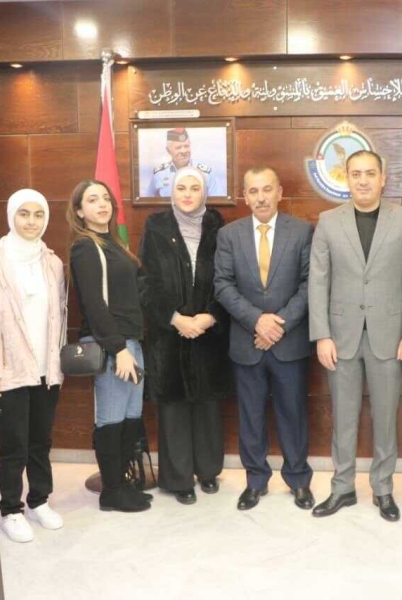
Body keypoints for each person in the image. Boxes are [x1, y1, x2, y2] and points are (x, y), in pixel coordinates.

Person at [309, 150, 402, 522]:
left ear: (383, 178)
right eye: (356, 174)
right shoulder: (328, 222)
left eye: (370, 173)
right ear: (346, 178)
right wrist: (322, 335)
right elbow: (318, 282)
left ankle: (383, 489)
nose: (363, 180)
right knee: (343, 418)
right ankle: (342, 488)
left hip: (389, 337)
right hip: (340, 337)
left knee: (385, 419)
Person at [0, 189, 66, 543]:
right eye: (24, 214)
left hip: (45, 370)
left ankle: (40, 501)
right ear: (11, 216)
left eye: (38, 214)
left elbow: (58, 318)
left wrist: (57, 363)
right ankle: (10, 509)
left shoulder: (52, 263)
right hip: (6, 371)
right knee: (13, 445)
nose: (31, 222)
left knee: (40, 442)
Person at [214, 167, 315, 511]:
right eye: (253, 191)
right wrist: (257, 321)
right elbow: (222, 285)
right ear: (245, 196)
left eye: (267, 189)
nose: (261, 197)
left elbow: (310, 284)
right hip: (247, 343)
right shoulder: (228, 235)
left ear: (279, 192)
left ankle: (299, 480)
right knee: (251, 416)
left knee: (293, 414)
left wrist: (278, 325)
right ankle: (255, 481)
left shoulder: (301, 231)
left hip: (290, 342)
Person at [139, 167, 231, 505]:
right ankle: (179, 480)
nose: (188, 194)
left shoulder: (218, 226)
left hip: (208, 333)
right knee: (174, 409)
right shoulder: (156, 226)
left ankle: (207, 472)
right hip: (169, 334)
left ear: (204, 192)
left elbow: (229, 277)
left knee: (207, 407)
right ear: (171, 192)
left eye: (194, 188)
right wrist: (176, 319)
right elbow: (146, 281)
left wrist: (210, 316)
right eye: (181, 188)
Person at [68, 179, 151, 513]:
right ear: (79, 211)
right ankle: (111, 492)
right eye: (92, 200)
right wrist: (119, 349)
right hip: (112, 344)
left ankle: (124, 484)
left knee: (131, 418)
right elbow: (94, 305)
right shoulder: (85, 247)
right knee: (111, 420)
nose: (102, 204)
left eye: (105, 198)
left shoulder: (114, 243)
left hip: (131, 341)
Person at [149, 128, 220, 197]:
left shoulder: (205, 174)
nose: (183, 151)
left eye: (186, 146)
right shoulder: (159, 174)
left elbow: (219, 201)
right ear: (168, 150)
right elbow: (147, 201)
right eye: (178, 147)